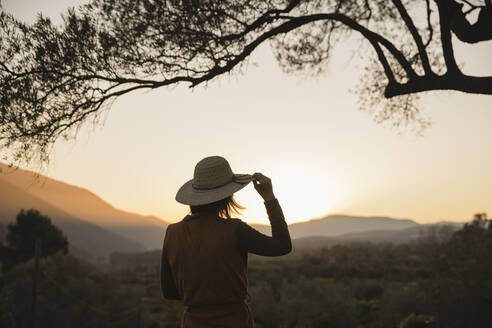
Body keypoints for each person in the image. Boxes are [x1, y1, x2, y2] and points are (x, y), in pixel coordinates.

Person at [161, 155, 292, 327]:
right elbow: (282, 246)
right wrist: (269, 198)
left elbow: (170, 291)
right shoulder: (235, 230)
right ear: (227, 196)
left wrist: (200, 296)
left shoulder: (173, 232)